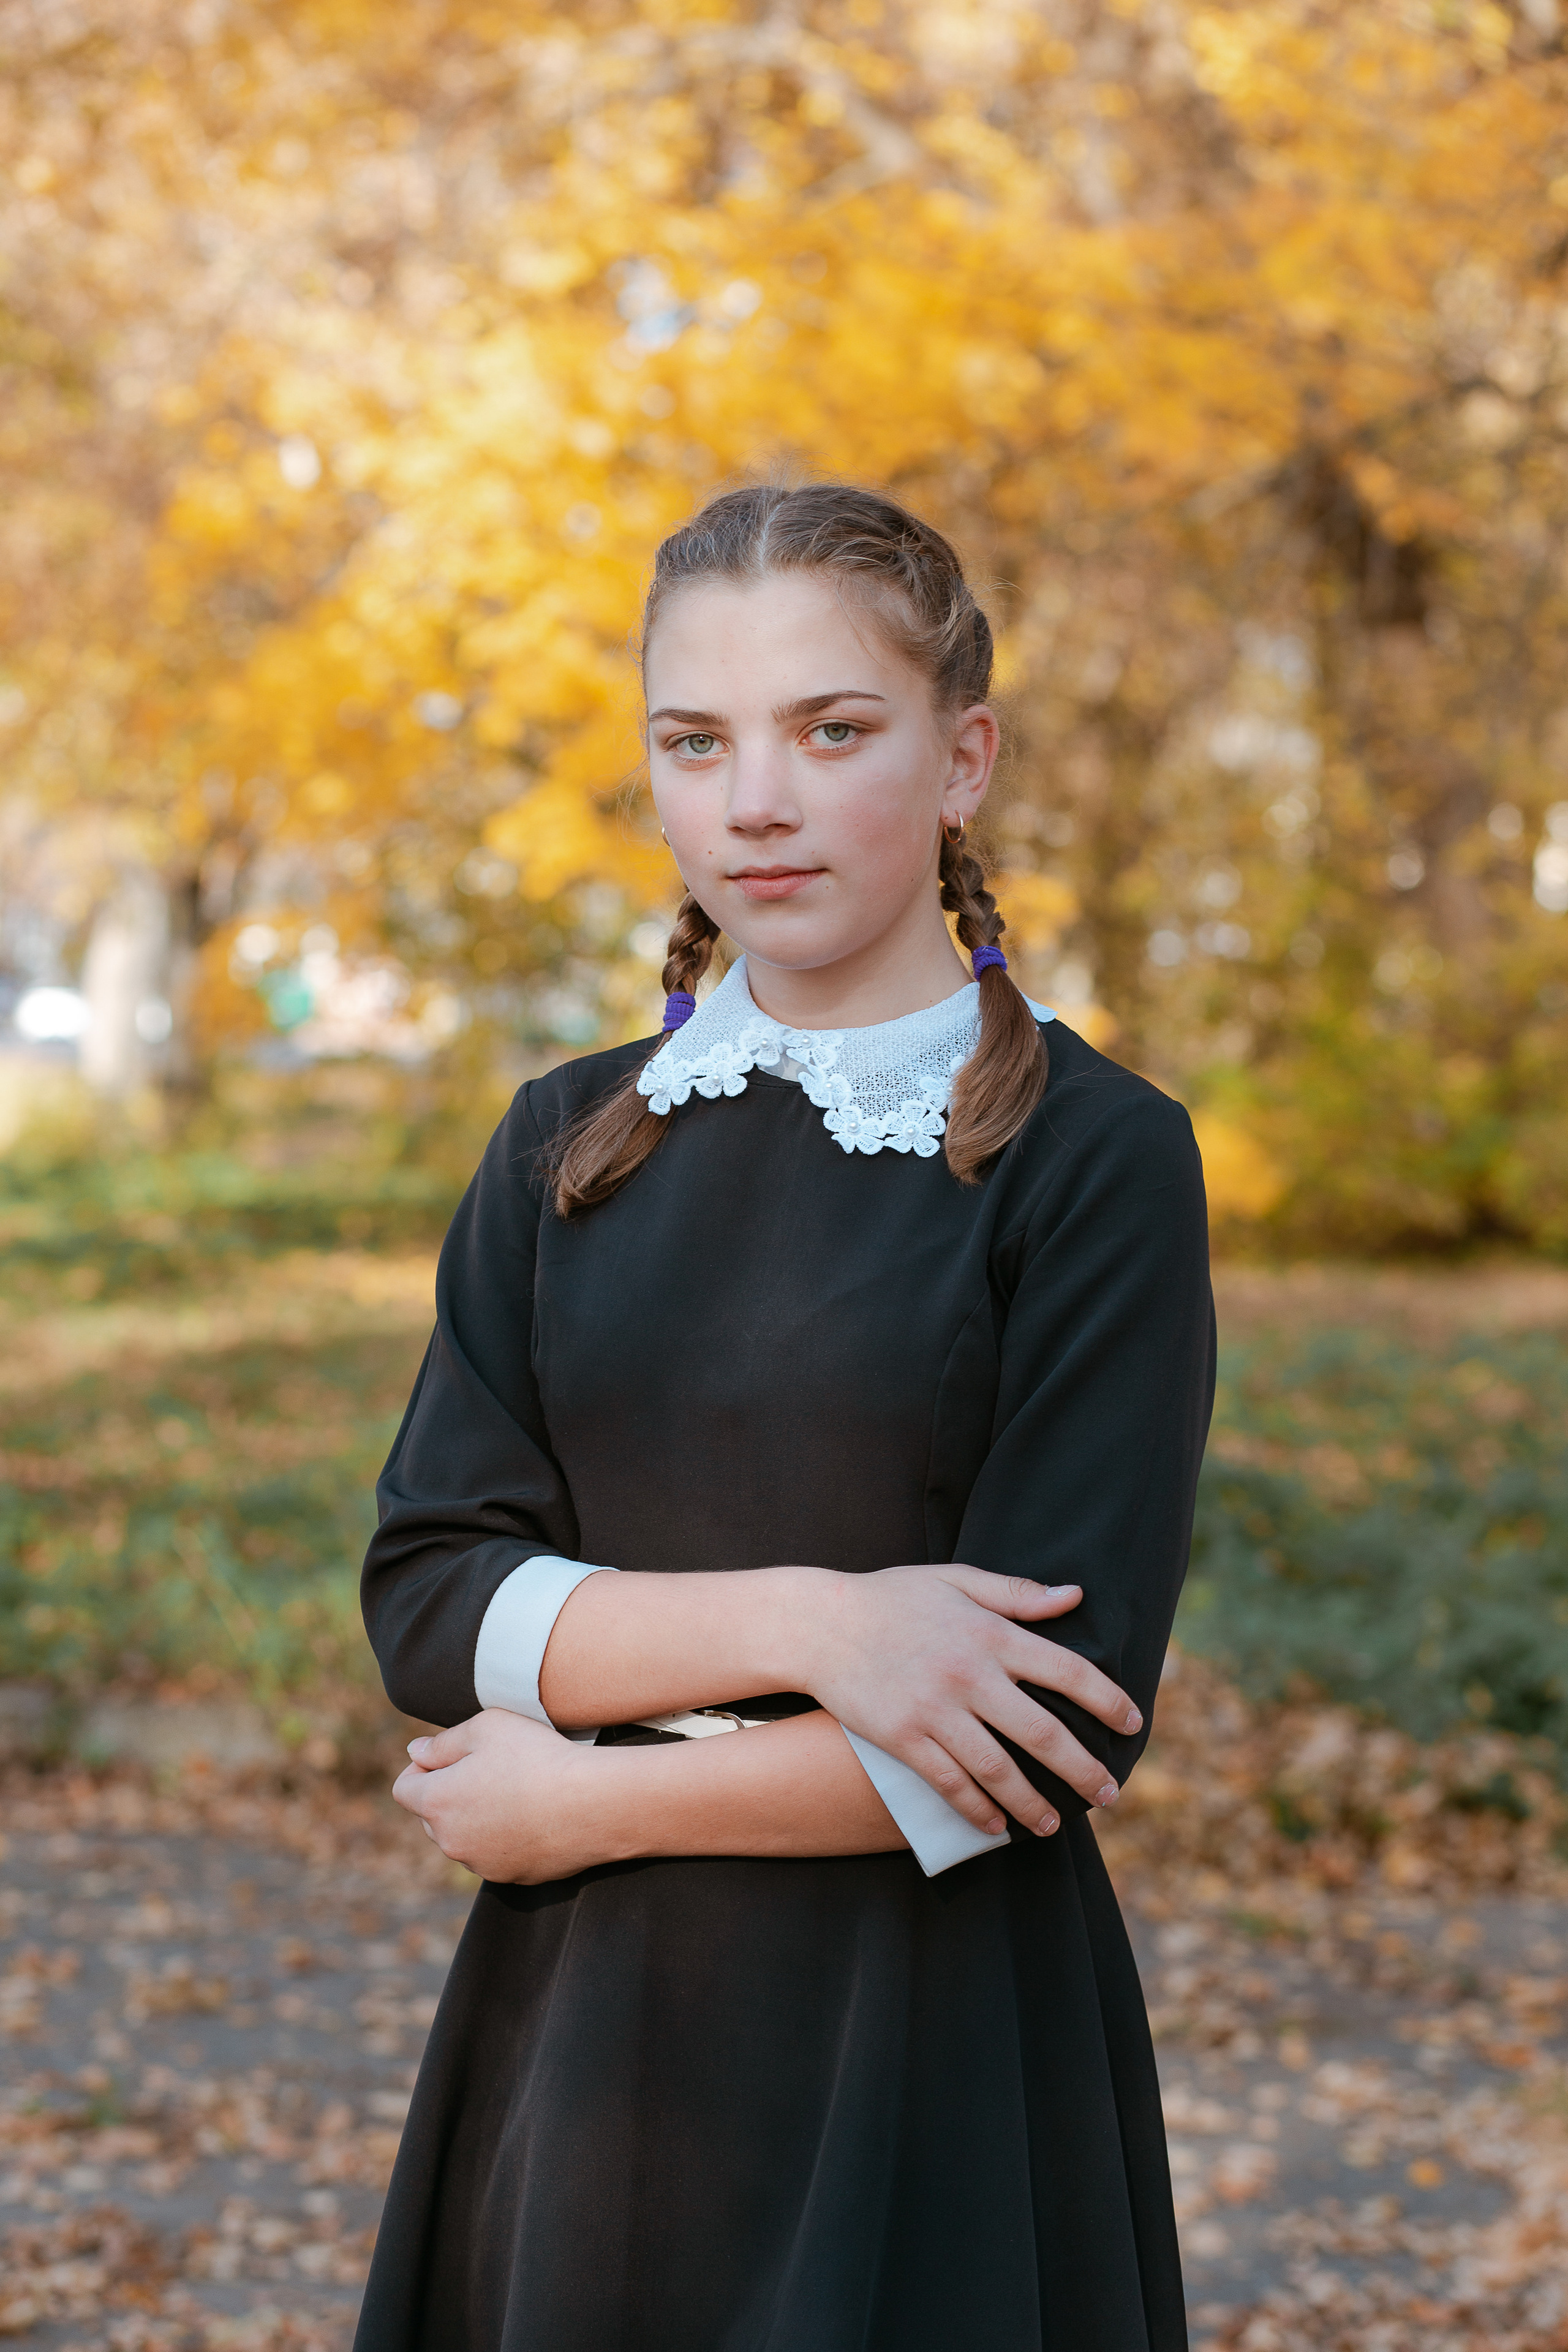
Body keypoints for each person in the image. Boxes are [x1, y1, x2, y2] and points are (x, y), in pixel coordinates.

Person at [355, 480, 1215, 2352]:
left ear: (962, 755)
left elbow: (1032, 1742)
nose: (757, 801)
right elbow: (431, 1599)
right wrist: (823, 1621)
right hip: (586, 2056)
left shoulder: (1094, 1160)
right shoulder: (562, 1145)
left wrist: (587, 1800)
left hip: (938, 2050)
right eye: (697, 742)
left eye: (834, 732)